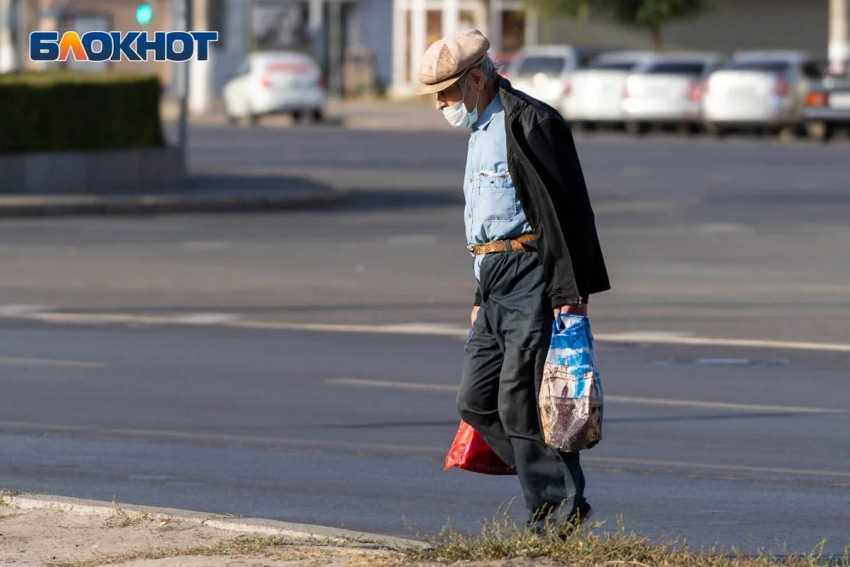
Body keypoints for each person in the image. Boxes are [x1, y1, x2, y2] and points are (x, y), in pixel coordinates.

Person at [414, 29, 610, 533]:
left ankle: (557, 511)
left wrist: (570, 296)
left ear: (475, 79)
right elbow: (484, 221)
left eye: (446, 93)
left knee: (518, 400)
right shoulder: (479, 128)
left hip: (531, 275)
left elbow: (568, 216)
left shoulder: (532, 123)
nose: (440, 105)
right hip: (494, 279)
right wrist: (480, 295)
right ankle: (542, 473)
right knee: (476, 401)